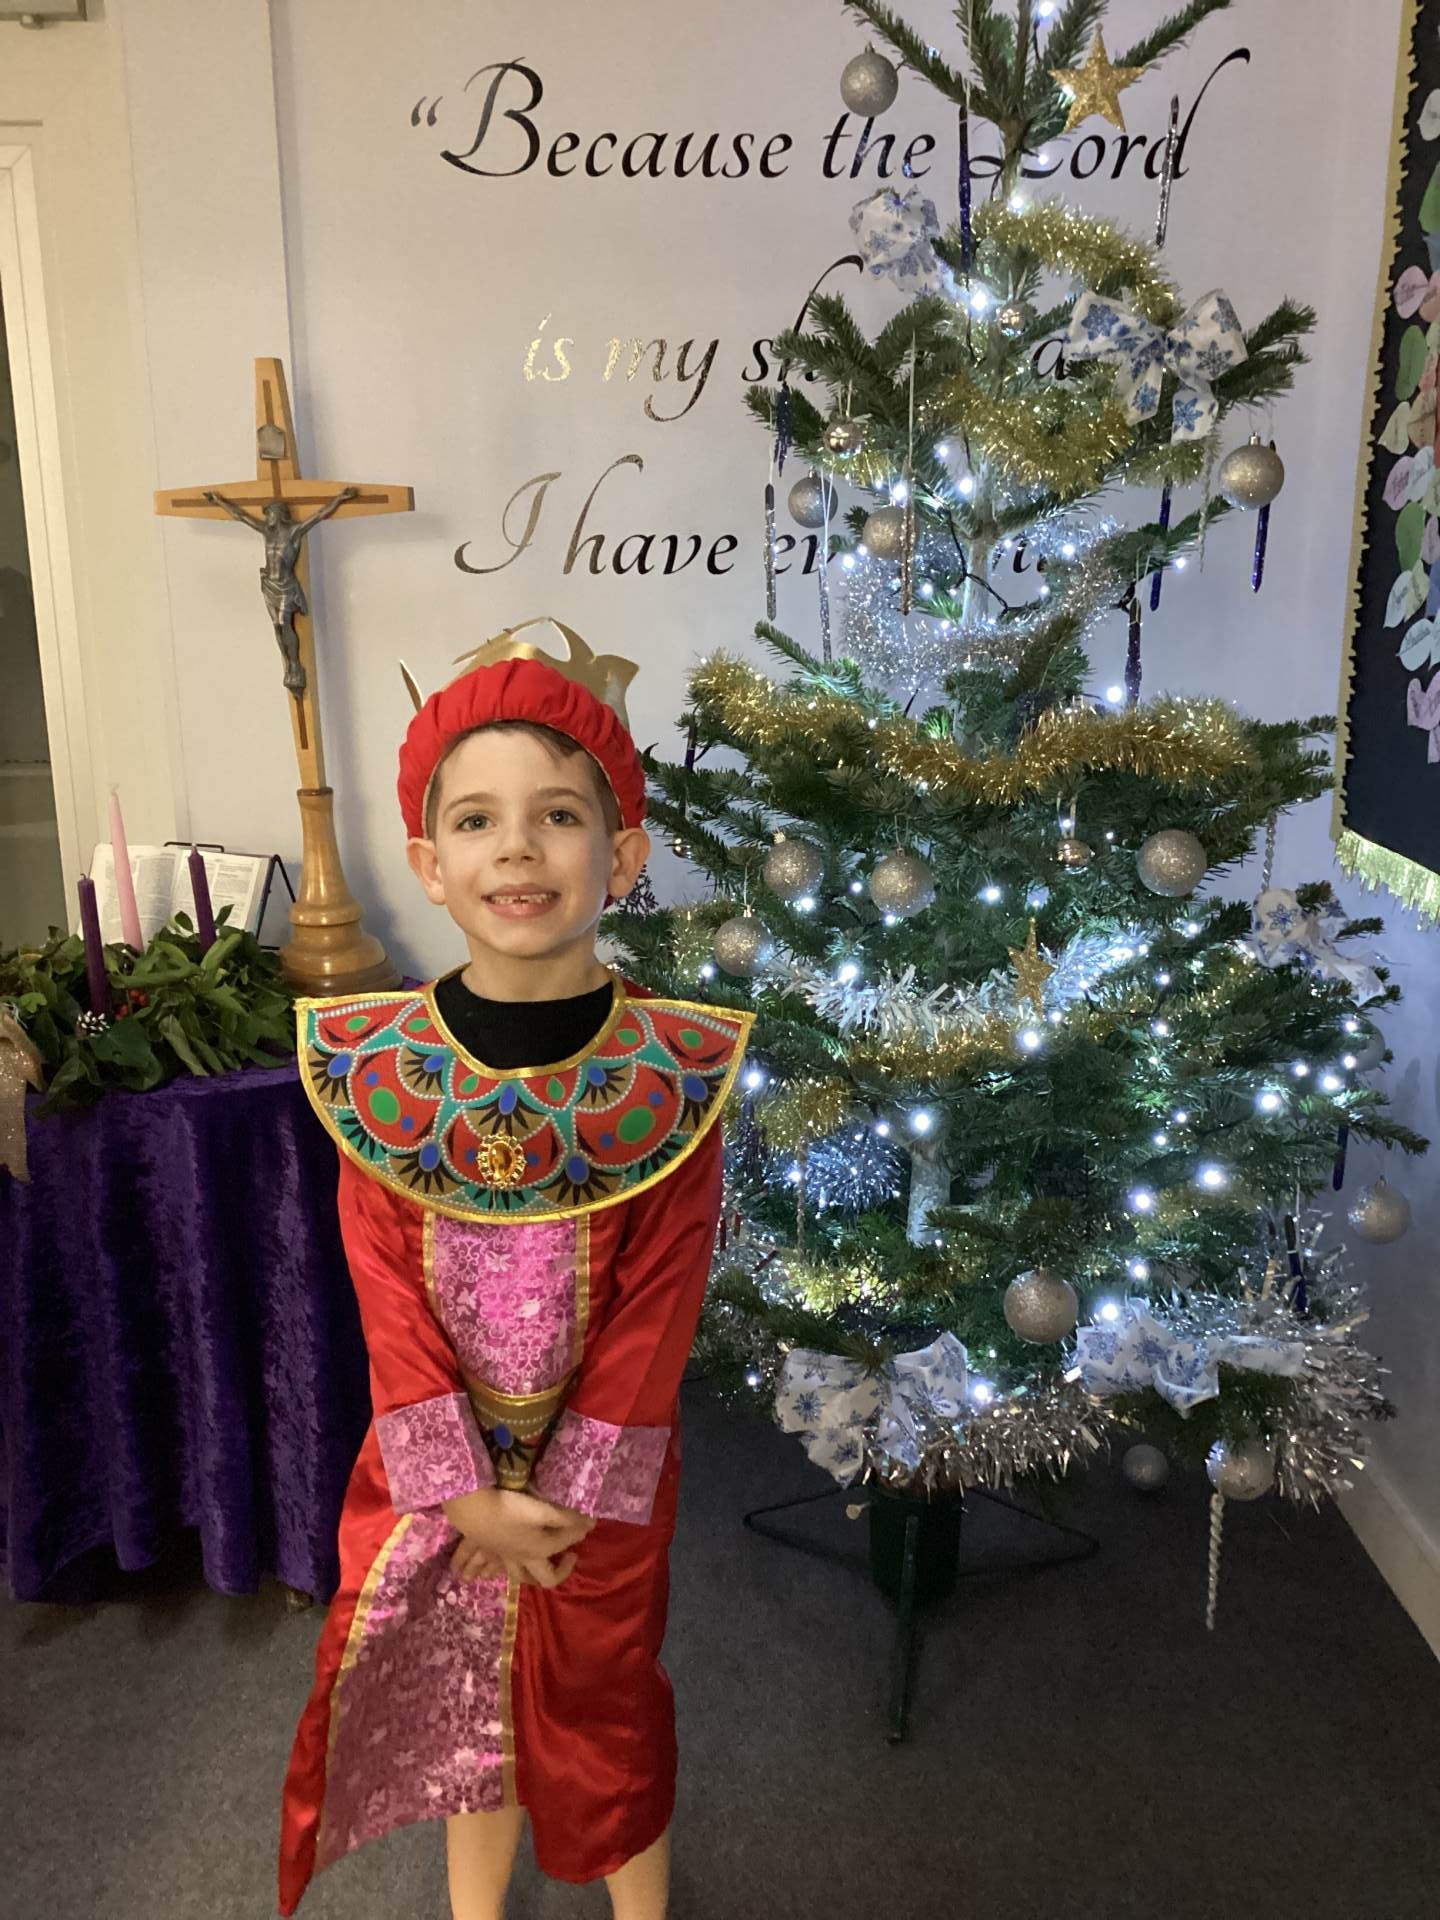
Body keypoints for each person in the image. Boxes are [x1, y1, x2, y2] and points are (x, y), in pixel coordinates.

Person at [277, 621, 753, 1920]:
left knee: (605, 1702)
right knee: (460, 1706)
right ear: (430, 865)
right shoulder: (377, 1073)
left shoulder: (675, 1078)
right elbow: (384, 1291)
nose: (519, 848)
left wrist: (574, 1491)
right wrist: (462, 1493)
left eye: (558, 816)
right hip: (432, 1476)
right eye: (478, 821)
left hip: (605, 1487)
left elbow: (660, 1304)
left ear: (624, 856)